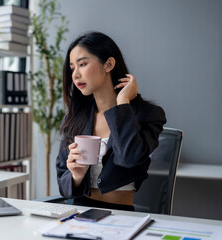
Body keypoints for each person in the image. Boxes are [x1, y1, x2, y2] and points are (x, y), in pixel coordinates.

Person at [56, 31, 167, 211]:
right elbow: (63, 183)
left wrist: (122, 103)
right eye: (72, 68)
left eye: (82, 64)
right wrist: (76, 176)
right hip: (80, 211)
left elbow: (130, 158)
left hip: (122, 216)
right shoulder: (75, 118)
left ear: (108, 64)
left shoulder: (148, 114)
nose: (75, 75)